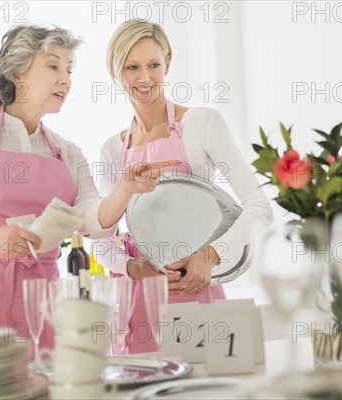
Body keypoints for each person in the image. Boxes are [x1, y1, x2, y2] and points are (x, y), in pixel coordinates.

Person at [0, 25, 175, 351]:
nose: (66, 79)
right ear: (17, 73)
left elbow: (91, 221)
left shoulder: (67, 152)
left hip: (40, 310)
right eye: (53, 66)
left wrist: (126, 188)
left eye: (69, 70)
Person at [96, 19, 274, 353]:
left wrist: (210, 255)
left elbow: (260, 208)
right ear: (116, 73)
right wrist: (133, 268)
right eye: (132, 67)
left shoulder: (202, 124)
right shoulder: (111, 151)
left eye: (153, 65)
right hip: (139, 301)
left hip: (196, 290)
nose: (145, 78)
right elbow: (101, 242)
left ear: (168, 63)